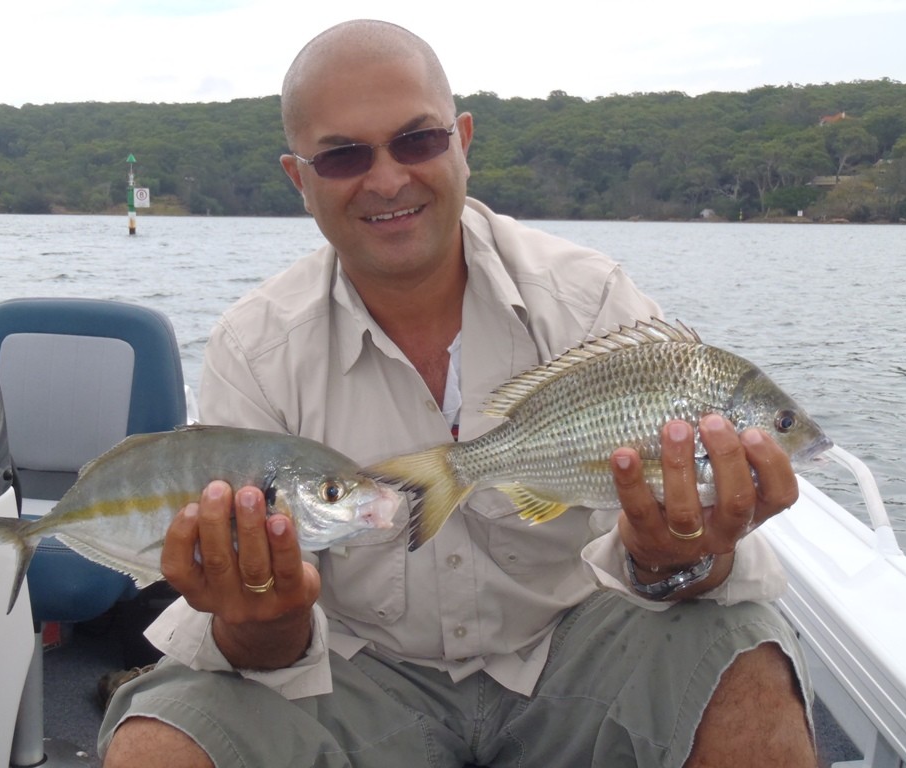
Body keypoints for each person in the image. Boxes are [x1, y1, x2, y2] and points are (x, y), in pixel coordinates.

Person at [100, 19, 816, 768]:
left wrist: (675, 559)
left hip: (572, 655)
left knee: (746, 670)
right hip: (353, 673)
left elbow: (674, 584)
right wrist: (260, 620)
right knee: (157, 744)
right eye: (344, 154)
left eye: (417, 141)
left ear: (462, 141)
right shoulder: (254, 347)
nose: (386, 179)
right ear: (299, 178)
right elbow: (267, 647)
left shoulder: (592, 300)